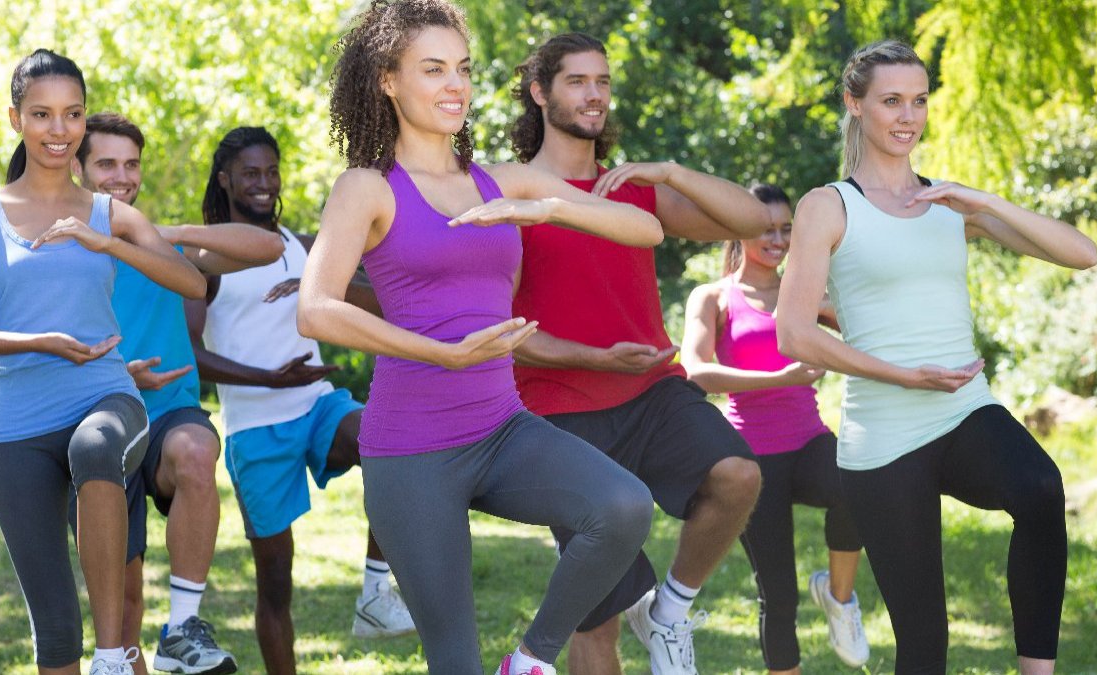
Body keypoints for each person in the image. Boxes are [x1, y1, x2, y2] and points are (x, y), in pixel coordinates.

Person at [297, 2, 665, 674]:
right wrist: (438, 352)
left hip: (501, 429)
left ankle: (529, 660)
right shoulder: (366, 188)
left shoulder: (505, 180)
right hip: (412, 449)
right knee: (453, 661)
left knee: (623, 505)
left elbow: (648, 231)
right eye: (432, 69)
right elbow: (316, 309)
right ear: (388, 80)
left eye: (462, 69)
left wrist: (550, 206)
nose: (454, 85)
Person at [774, 40, 1097, 675]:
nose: (907, 116)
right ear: (855, 105)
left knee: (1039, 489)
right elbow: (795, 335)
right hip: (884, 437)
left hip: (963, 411)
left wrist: (987, 203)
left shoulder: (948, 205)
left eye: (919, 100)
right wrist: (903, 375)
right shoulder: (829, 206)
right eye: (891, 100)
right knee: (924, 647)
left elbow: (1081, 253)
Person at [0, 50, 206, 675]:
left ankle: (113, 655)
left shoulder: (109, 213)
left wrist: (106, 240)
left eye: (73, 114)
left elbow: (192, 283)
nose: (60, 130)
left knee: (96, 447)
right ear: (15, 119)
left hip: (105, 397)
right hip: (14, 423)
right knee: (54, 634)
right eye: (43, 114)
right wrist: (36, 341)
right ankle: (85, 654)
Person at [508, 32, 768, 675]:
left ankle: (671, 611)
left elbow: (752, 222)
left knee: (739, 475)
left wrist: (670, 172)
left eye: (602, 81)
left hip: (654, 392)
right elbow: (503, 329)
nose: (594, 94)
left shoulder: (632, 189)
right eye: (577, 81)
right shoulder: (508, 194)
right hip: (560, 414)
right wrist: (593, 359)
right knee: (595, 622)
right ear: (541, 93)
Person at [183, 125, 415, 675]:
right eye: (250, 174)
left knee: (388, 436)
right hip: (254, 431)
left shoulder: (301, 246)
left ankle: (376, 594)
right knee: (275, 584)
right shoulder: (205, 257)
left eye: (271, 172)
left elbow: (383, 301)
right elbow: (190, 356)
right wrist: (268, 378)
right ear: (225, 181)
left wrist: (319, 284)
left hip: (315, 404)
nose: (264, 184)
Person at [68, 111, 286, 675]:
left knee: (196, 450)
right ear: (77, 167)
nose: (123, 176)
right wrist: (116, 376)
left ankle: (184, 625)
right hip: (96, 426)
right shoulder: (59, 251)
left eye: (132, 164)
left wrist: (167, 233)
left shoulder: (160, 246)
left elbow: (265, 248)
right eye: (107, 164)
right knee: (123, 605)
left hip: (168, 413)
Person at [681, 183, 869, 673]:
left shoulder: (804, 292)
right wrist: (777, 378)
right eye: (766, 228)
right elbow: (696, 371)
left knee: (859, 484)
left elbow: (868, 333)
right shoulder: (714, 297)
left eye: (787, 228)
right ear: (739, 230)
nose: (778, 238)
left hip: (809, 442)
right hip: (753, 459)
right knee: (778, 595)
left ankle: (839, 597)